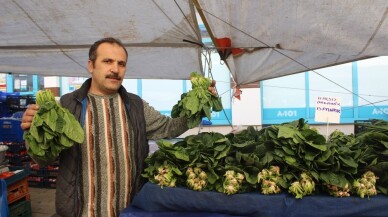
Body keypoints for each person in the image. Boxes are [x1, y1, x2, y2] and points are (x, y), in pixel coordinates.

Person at [21, 37, 217, 217]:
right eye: (107, 61)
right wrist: (34, 132)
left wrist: (200, 104)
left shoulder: (136, 106)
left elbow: (168, 127)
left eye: (121, 64)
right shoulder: (66, 106)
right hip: (79, 212)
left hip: (128, 211)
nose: (115, 69)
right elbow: (43, 158)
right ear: (91, 65)